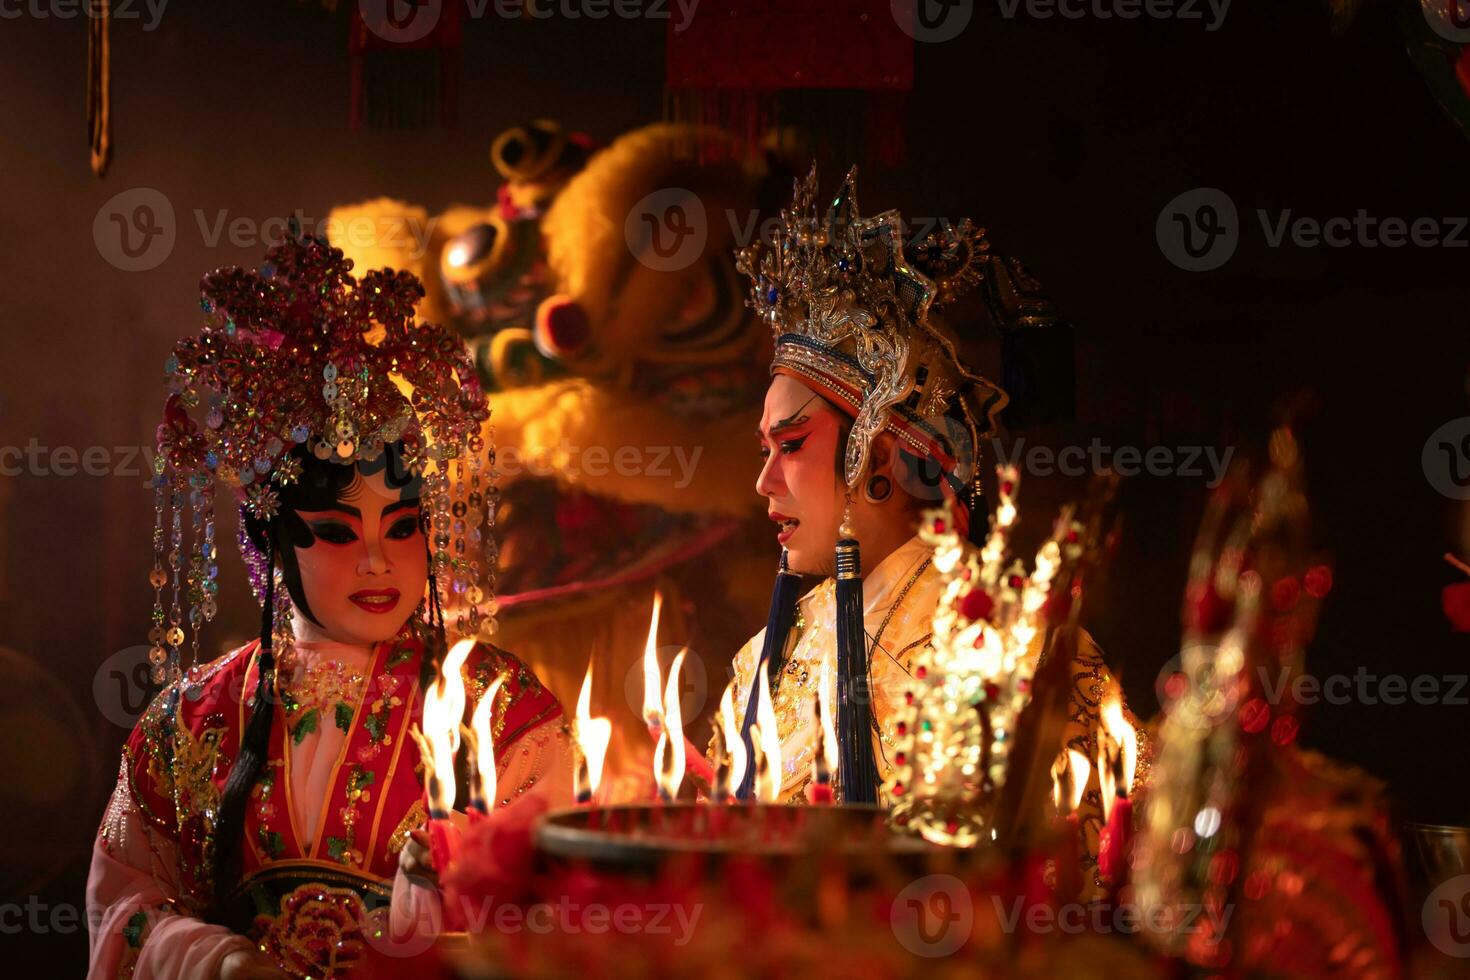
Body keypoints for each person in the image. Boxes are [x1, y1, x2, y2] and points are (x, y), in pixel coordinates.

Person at [87, 227, 572, 979]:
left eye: (403, 526)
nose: (379, 560)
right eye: (338, 532)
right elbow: (123, 902)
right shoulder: (188, 722)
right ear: (274, 541)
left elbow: (562, 915)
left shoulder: (502, 714)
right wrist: (217, 964)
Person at [719, 168, 1144, 863]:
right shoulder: (761, 662)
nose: (764, 481)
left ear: (879, 458)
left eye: (791, 445)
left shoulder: (1019, 656)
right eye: (765, 448)